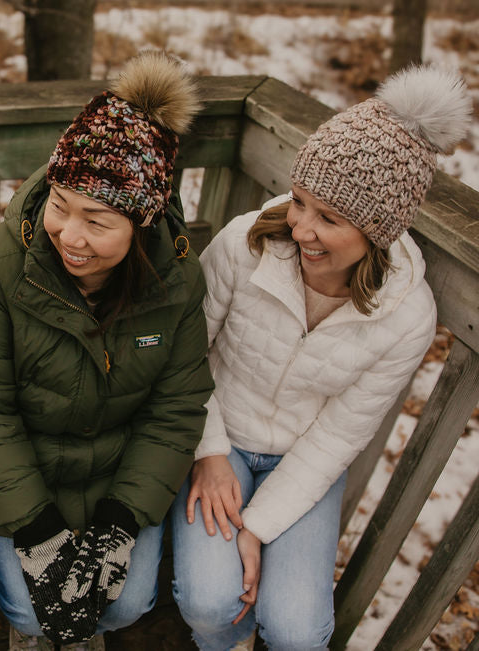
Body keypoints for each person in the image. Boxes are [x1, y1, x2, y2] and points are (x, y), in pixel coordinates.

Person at [169, 65, 471, 651]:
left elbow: (338, 436)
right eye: (301, 201)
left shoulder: (406, 316)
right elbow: (185, 354)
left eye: (329, 218)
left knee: (298, 633)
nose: (302, 227)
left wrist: (257, 527)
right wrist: (207, 453)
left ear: (377, 230)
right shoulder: (244, 242)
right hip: (219, 432)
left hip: (301, 460)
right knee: (211, 605)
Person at [0, 51, 214, 651]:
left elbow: (175, 408)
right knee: (31, 612)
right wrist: (37, 531)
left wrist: (119, 524)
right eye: (61, 205)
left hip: (118, 479)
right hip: (25, 476)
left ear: (141, 224)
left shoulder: (178, 283)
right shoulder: (2, 262)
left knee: (129, 603)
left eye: (97, 220)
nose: (69, 235)